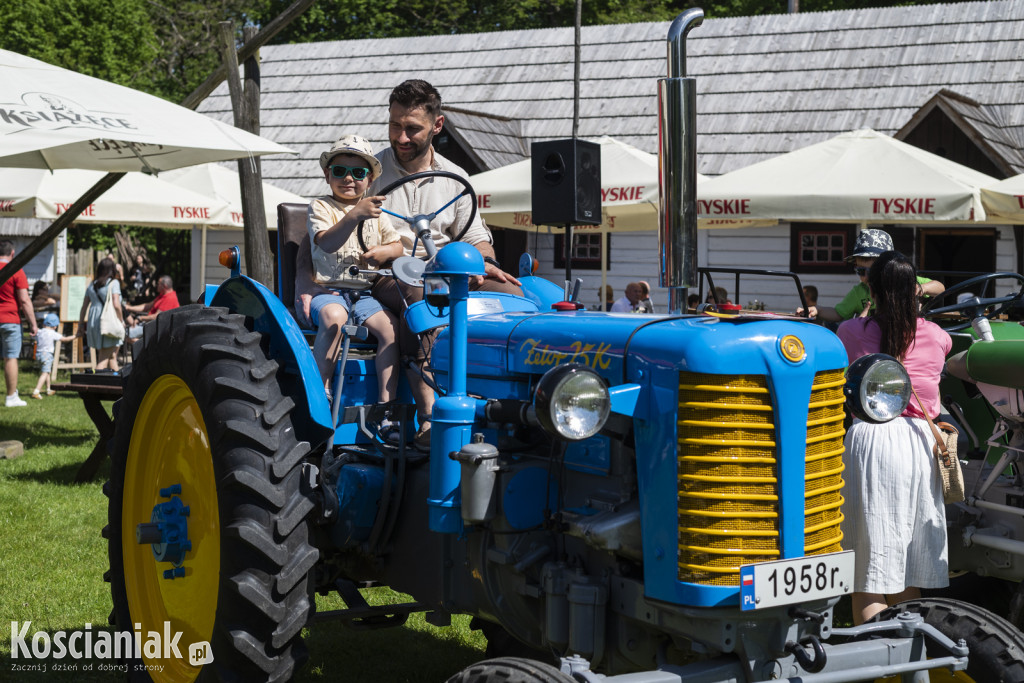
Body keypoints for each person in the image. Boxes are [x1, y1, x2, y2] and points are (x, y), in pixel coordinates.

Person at [836, 251, 952, 625]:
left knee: (866, 576)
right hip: (921, 443)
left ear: (873, 287)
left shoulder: (853, 332)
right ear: (915, 290)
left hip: (871, 440)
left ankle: (871, 662)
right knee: (906, 570)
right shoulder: (937, 336)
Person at [303, 135, 406, 440]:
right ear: (327, 175)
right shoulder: (321, 206)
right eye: (340, 171)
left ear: (370, 179)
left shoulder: (377, 214)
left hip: (363, 294)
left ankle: (386, 410)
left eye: (358, 173)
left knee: (390, 328)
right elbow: (327, 241)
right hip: (328, 291)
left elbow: (398, 246)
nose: (348, 178)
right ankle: (319, 395)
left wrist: (384, 253)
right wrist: (355, 215)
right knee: (334, 317)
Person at [800, 229, 944, 322]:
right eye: (861, 272)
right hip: (873, 342)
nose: (867, 277)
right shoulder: (859, 291)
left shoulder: (903, 280)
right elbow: (839, 313)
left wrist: (921, 288)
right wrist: (818, 309)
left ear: (890, 266)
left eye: (875, 271)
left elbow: (940, 288)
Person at [0, 240, 38, 407]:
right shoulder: (16, 270)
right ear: (12, 253)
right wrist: (33, 324)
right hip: (9, 319)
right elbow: (24, 300)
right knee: (10, 358)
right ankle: (11, 397)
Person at [79, 257, 125, 372]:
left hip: (94, 321)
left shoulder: (92, 285)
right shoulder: (114, 283)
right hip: (108, 322)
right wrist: (121, 320)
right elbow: (116, 305)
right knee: (104, 358)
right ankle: (95, 385)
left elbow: (84, 307)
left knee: (111, 356)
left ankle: (118, 385)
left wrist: (80, 325)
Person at [30, 313, 75, 399]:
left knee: (47, 372)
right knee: (45, 373)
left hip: (38, 355)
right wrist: (75, 336)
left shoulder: (40, 331)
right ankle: (36, 391)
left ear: (44, 323)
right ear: (55, 326)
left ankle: (48, 389)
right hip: (47, 355)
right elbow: (64, 339)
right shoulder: (53, 333)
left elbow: (33, 336)